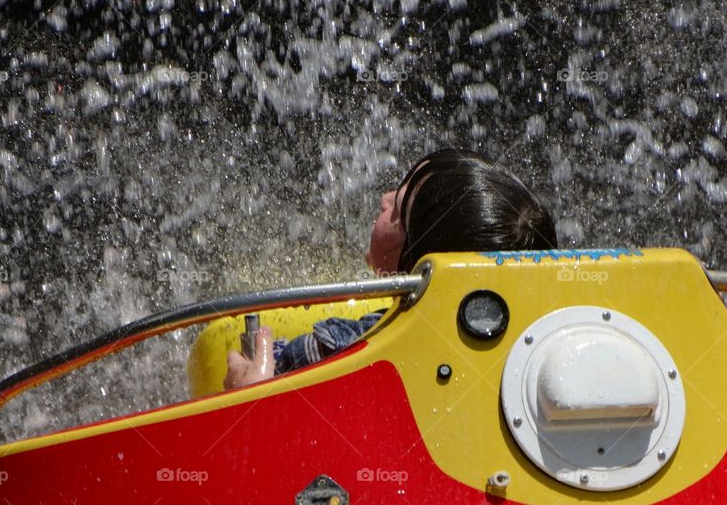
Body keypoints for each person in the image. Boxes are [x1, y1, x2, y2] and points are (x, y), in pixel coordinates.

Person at [224, 147, 557, 390]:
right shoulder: (547, 353)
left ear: (420, 268)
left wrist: (252, 393)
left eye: (397, 212)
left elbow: (277, 382)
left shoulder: (347, 345)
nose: (384, 198)